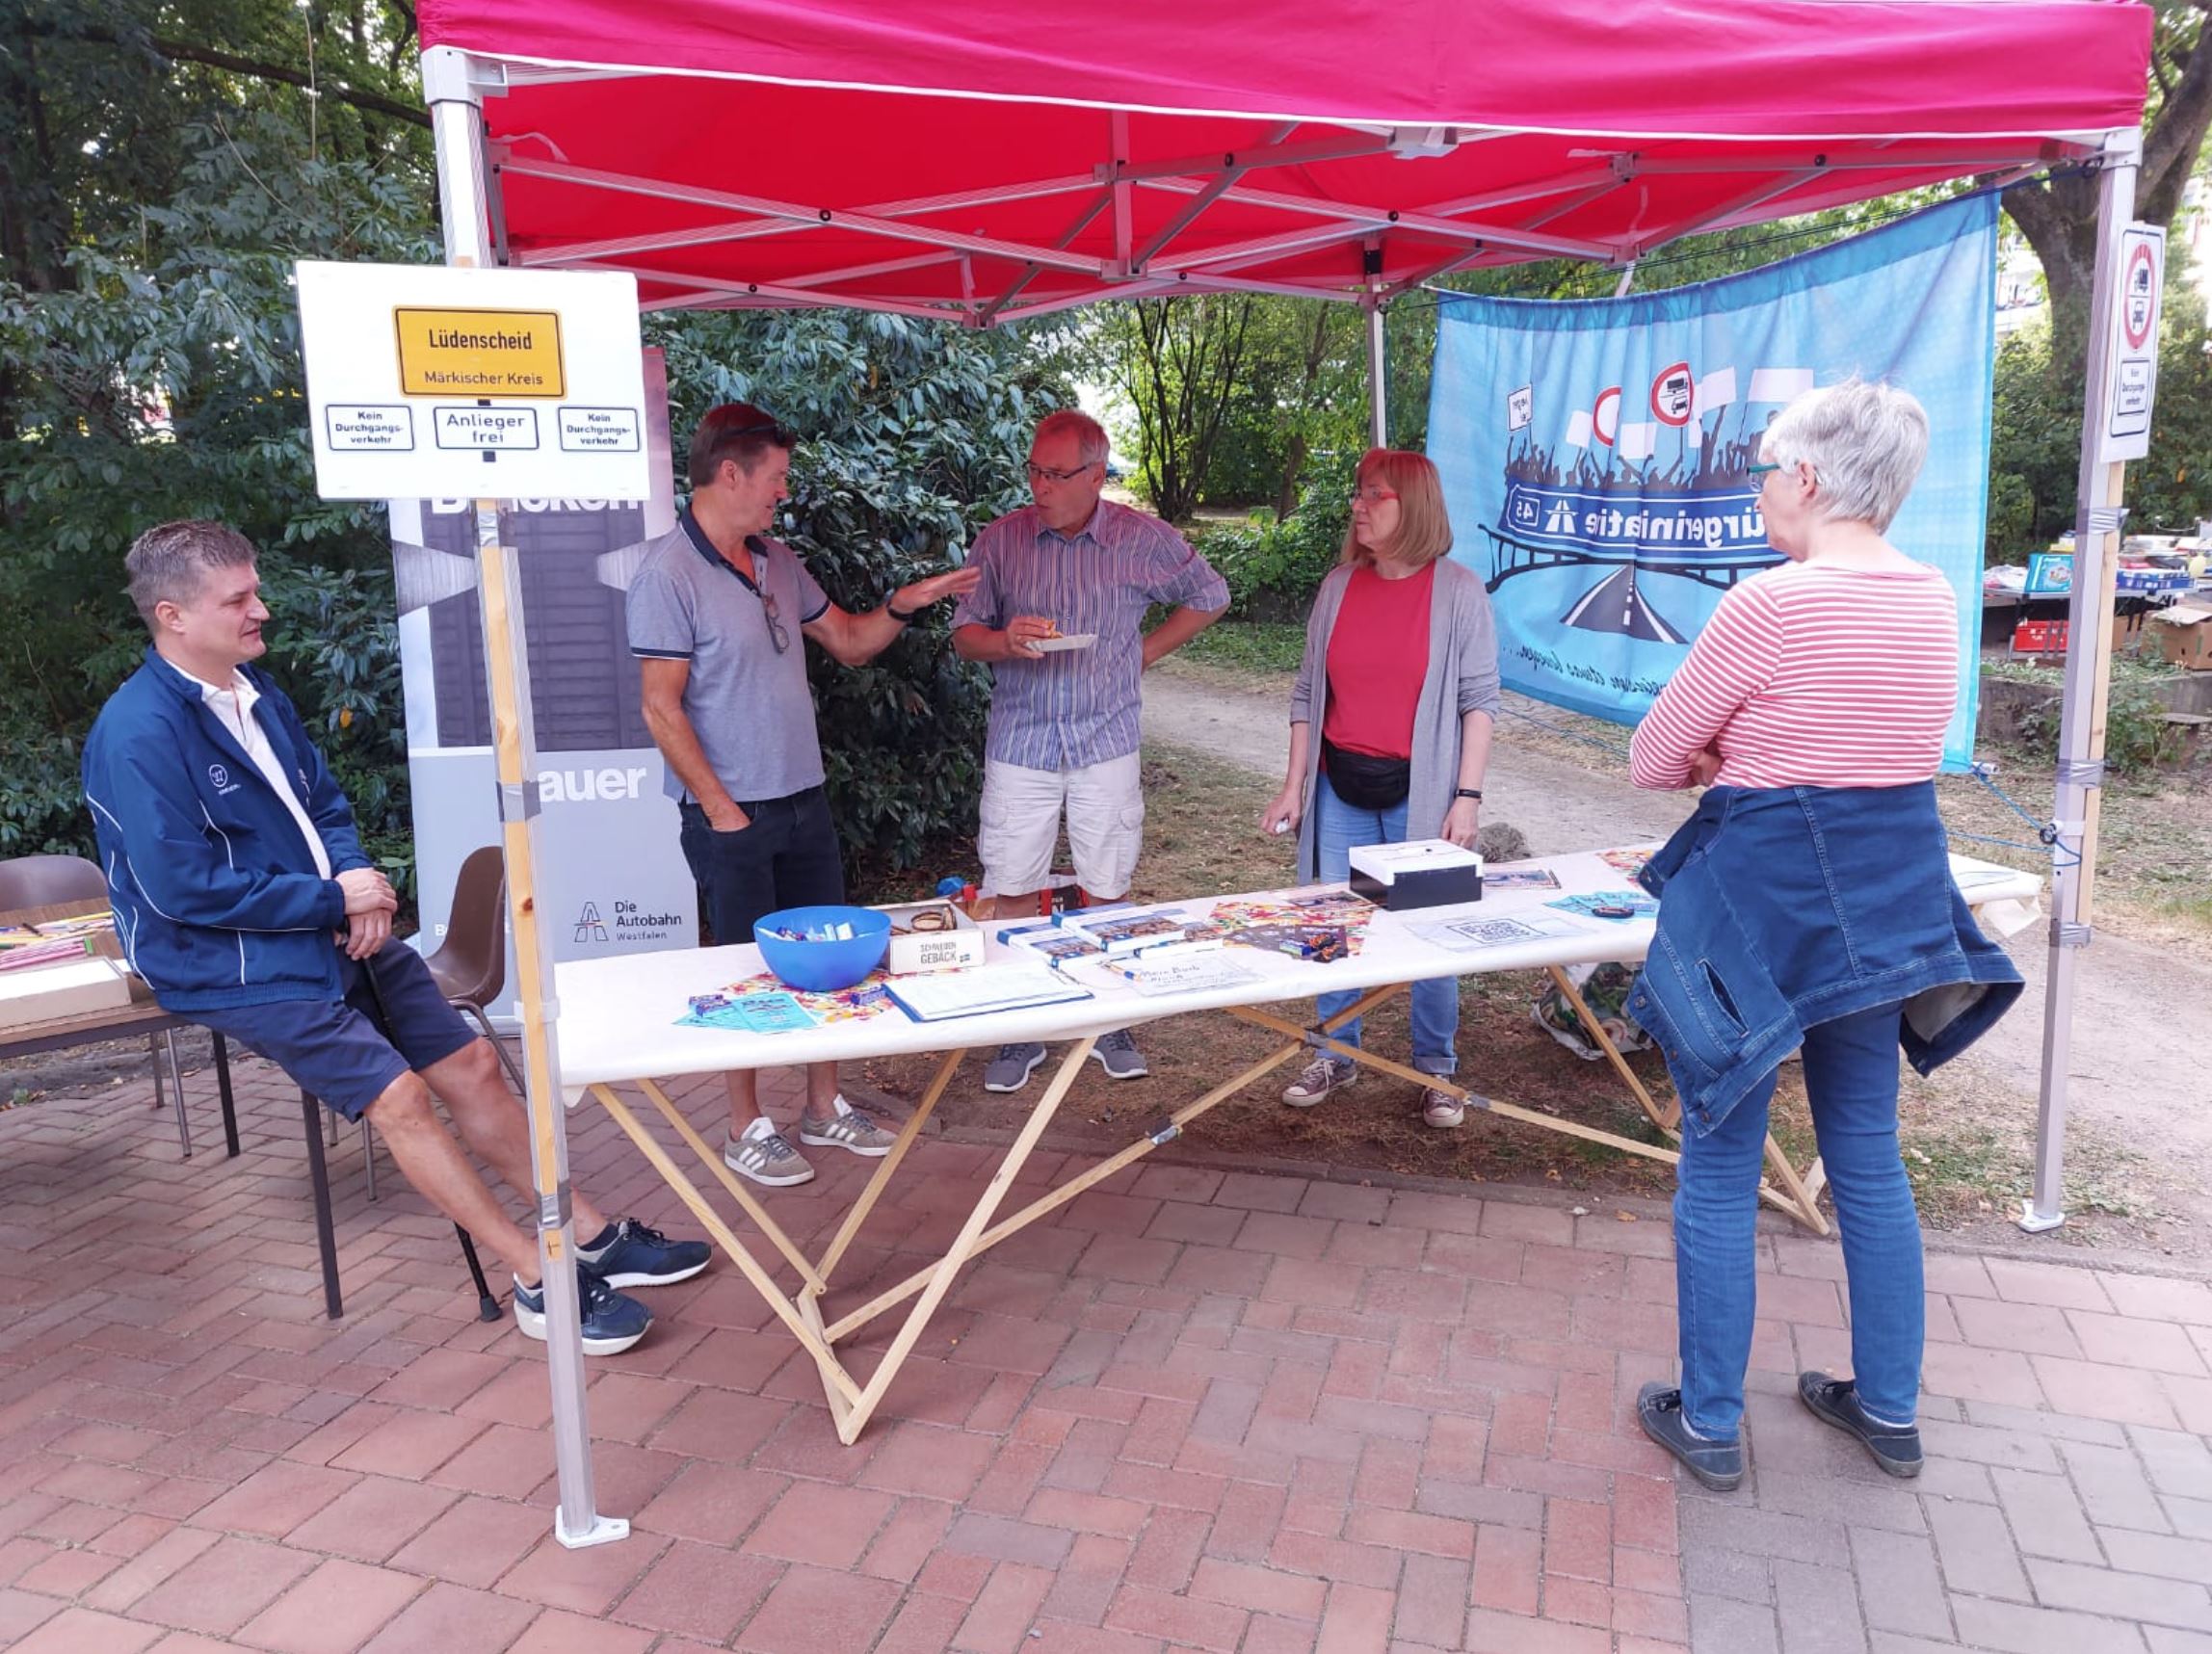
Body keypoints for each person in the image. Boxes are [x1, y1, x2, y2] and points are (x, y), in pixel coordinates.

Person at [82, 521, 710, 1356]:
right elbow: (178, 889)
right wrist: (329, 899)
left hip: (327, 923)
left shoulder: (256, 691)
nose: (260, 608)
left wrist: (360, 891)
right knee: (401, 1097)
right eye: (238, 599)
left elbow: (326, 804)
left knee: (477, 1063)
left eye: (254, 587)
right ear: (172, 616)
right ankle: (535, 1274)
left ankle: (589, 1234)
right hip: (233, 961)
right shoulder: (137, 732)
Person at [1623, 380, 2023, 1490]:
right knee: (1864, 1151)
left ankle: (1708, 1423)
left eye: (1762, 471)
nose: (1758, 490)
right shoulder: (1934, 597)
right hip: (1887, 896)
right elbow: (1884, 745)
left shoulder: (1771, 603)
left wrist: (1726, 752)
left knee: (1717, 1155)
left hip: (1766, 911)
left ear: (1805, 479)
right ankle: (1886, 1407)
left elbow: (1656, 755)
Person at [628, 404, 979, 1187]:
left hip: (803, 798)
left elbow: (850, 642)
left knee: (829, 963)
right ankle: (745, 1123)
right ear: (731, 473)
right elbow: (660, 706)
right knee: (744, 971)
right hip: (732, 813)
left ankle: (824, 1107)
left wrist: (903, 604)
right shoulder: (667, 574)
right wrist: (722, 810)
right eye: (776, 477)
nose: (783, 492)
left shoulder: (777, 561)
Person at [952, 409, 1229, 1091]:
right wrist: (1004, 639)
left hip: (1105, 739)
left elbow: (1211, 594)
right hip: (1022, 741)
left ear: (1097, 476)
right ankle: (1019, 1025)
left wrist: (1143, 653)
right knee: (1011, 888)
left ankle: (1110, 1018)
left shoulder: (1139, 538)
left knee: (1107, 887)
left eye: (1056, 473)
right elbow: (963, 634)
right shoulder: (1001, 540)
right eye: (1034, 470)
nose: (1040, 486)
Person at [1259, 449, 1500, 1128]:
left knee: (1430, 930)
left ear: (1414, 507)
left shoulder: (1458, 592)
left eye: (1377, 495)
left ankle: (1436, 1069)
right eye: (1359, 493)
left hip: (1420, 792)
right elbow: (1309, 692)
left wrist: (1467, 796)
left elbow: (1479, 701)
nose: (1359, 506)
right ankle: (1336, 1051)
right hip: (1341, 788)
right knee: (1335, 923)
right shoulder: (1338, 586)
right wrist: (1293, 784)